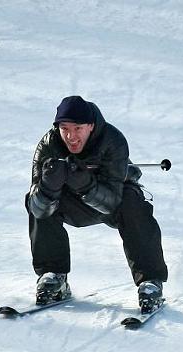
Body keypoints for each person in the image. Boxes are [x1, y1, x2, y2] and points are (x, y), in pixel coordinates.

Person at [26, 95, 168, 311]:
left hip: (111, 203)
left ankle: (150, 282)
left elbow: (112, 202)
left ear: (91, 126)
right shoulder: (49, 145)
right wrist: (48, 188)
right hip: (72, 203)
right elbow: (37, 207)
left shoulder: (113, 140)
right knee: (37, 198)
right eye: (64, 128)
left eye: (78, 128)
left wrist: (85, 184)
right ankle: (54, 275)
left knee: (133, 200)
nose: (70, 136)